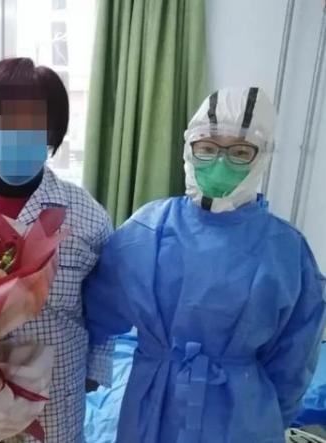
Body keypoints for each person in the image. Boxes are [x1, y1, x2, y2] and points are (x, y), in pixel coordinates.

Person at [83, 87, 326, 443]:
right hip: (152, 405)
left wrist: (274, 415)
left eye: (239, 151)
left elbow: (295, 360)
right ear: (189, 149)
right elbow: (97, 313)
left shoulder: (286, 251)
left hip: (240, 415)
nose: (220, 163)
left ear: (262, 156)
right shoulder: (147, 230)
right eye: (208, 148)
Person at [0, 57, 114, 443]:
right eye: (4, 121)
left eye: (32, 123)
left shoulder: (85, 217)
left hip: (56, 390)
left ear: (53, 132)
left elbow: (107, 306)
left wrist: (96, 370)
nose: (17, 134)